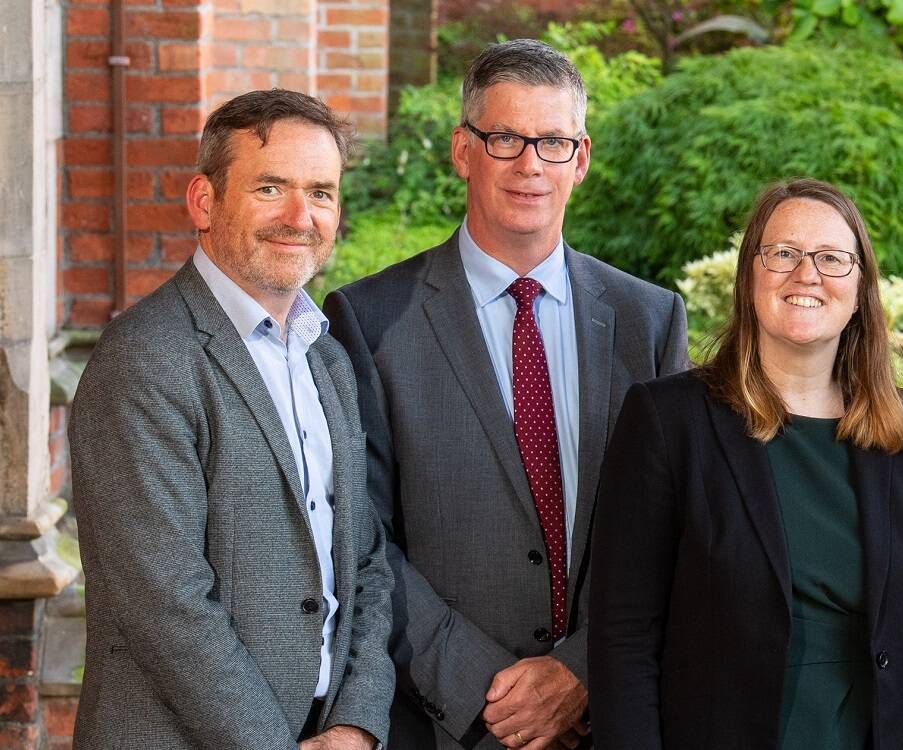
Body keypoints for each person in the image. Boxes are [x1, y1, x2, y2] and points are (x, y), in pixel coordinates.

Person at [323, 39, 689, 750]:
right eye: (504, 139)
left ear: (580, 159)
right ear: (463, 150)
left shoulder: (647, 319)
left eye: (552, 141)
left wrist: (580, 671)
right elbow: (360, 538)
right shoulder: (368, 320)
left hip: (607, 719)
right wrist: (486, 691)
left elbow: (672, 523)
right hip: (446, 723)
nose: (530, 164)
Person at [588, 179, 903, 750]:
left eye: (831, 258)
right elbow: (624, 637)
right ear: (751, 275)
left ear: (860, 287)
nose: (807, 275)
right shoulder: (667, 421)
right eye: (783, 254)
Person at [69, 89, 393, 749]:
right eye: (271, 188)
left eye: (322, 192)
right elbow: (166, 603)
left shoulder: (326, 357)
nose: (300, 216)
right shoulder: (146, 358)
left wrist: (357, 725)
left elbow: (366, 560)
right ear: (203, 201)